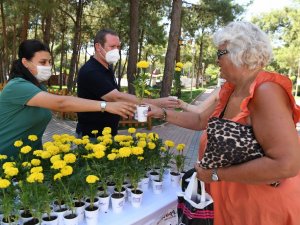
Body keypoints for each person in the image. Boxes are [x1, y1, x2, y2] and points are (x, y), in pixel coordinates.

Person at [148, 21, 300, 224]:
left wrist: (216, 174)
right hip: (233, 201)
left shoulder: (265, 91)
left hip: (260, 209)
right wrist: (162, 113)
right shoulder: (232, 89)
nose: (216, 60)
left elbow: (287, 165)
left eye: (220, 54)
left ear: (243, 54)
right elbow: (202, 119)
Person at [0, 39, 136, 157]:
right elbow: (61, 103)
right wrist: (106, 105)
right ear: (25, 62)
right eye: (42, 62)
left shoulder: (38, 87)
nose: (48, 66)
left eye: (49, 61)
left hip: (28, 161)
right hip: (5, 159)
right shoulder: (17, 86)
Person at [76, 29, 179, 136]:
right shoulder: (91, 71)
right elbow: (116, 97)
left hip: (106, 134)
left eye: (118, 47)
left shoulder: (106, 67)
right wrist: (157, 102)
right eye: (112, 47)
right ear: (98, 47)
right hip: (92, 136)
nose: (116, 51)